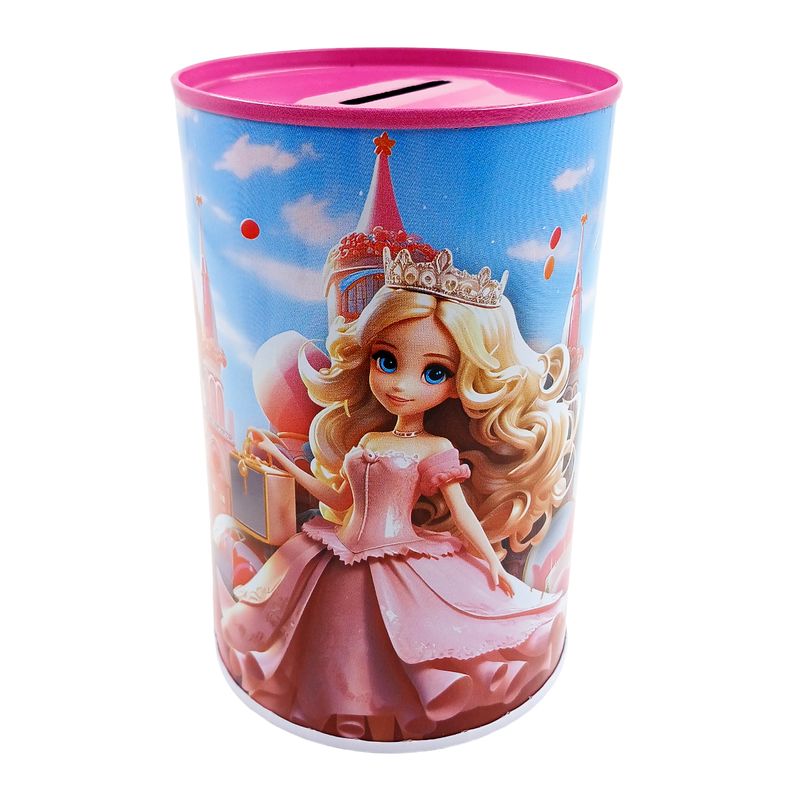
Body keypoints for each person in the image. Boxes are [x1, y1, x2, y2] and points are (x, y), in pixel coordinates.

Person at [216, 247, 574, 742]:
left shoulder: (436, 449)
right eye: (386, 360)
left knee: (406, 642)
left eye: (433, 372)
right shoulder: (368, 439)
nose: (402, 385)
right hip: (335, 554)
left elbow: (463, 514)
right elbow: (339, 500)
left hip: (401, 557)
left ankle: (392, 714)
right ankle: (343, 709)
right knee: (336, 646)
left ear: (459, 384)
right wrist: (284, 463)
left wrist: (491, 562)